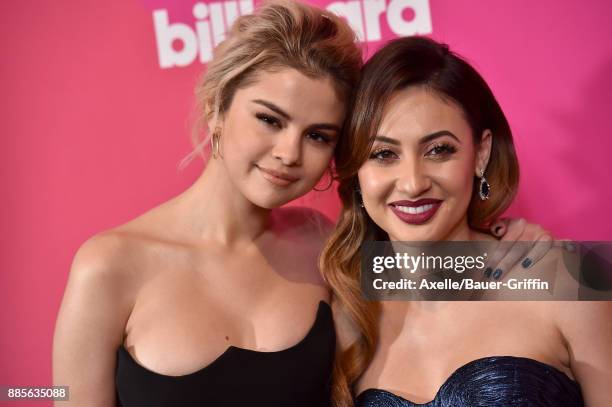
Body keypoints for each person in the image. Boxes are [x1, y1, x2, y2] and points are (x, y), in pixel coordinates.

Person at [53, 1, 556, 405]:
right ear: (216, 108)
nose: (289, 153)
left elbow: (448, 282)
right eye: (269, 119)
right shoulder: (109, 265)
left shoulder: (325, 247)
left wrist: (518, 247)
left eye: (317, 135)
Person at [321, 36, 612, 406]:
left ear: (481, 153)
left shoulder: (570, 280)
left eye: (439, 150)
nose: (413, 182)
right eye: (383, 154)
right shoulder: (347, 315)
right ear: (355, 171)